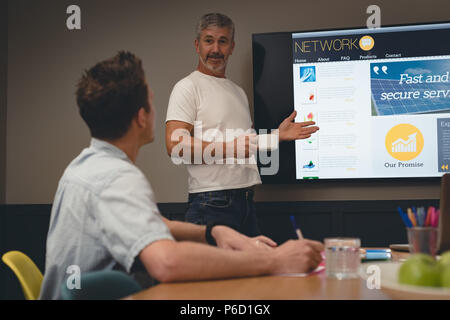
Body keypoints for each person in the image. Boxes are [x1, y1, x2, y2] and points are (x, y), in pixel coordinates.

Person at [39, 51, 323, 299]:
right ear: (142, 117)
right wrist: (273, 260)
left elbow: (153, 223)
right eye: (152, 101)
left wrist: (214, 232)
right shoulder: (117, 178)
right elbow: (167, 263)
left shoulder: (87, 165)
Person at [165, 13, 319, 236]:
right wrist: (229, 148)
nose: (216, 49)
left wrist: (276, 136)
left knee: (254, 272)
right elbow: (174, 146)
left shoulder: (238, 92)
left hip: (246, 201)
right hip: (211, 203)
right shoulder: (187, 87)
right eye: (209, 40)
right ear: (197, 45)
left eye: (223, 41)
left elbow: (244, 145)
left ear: (232, 47)